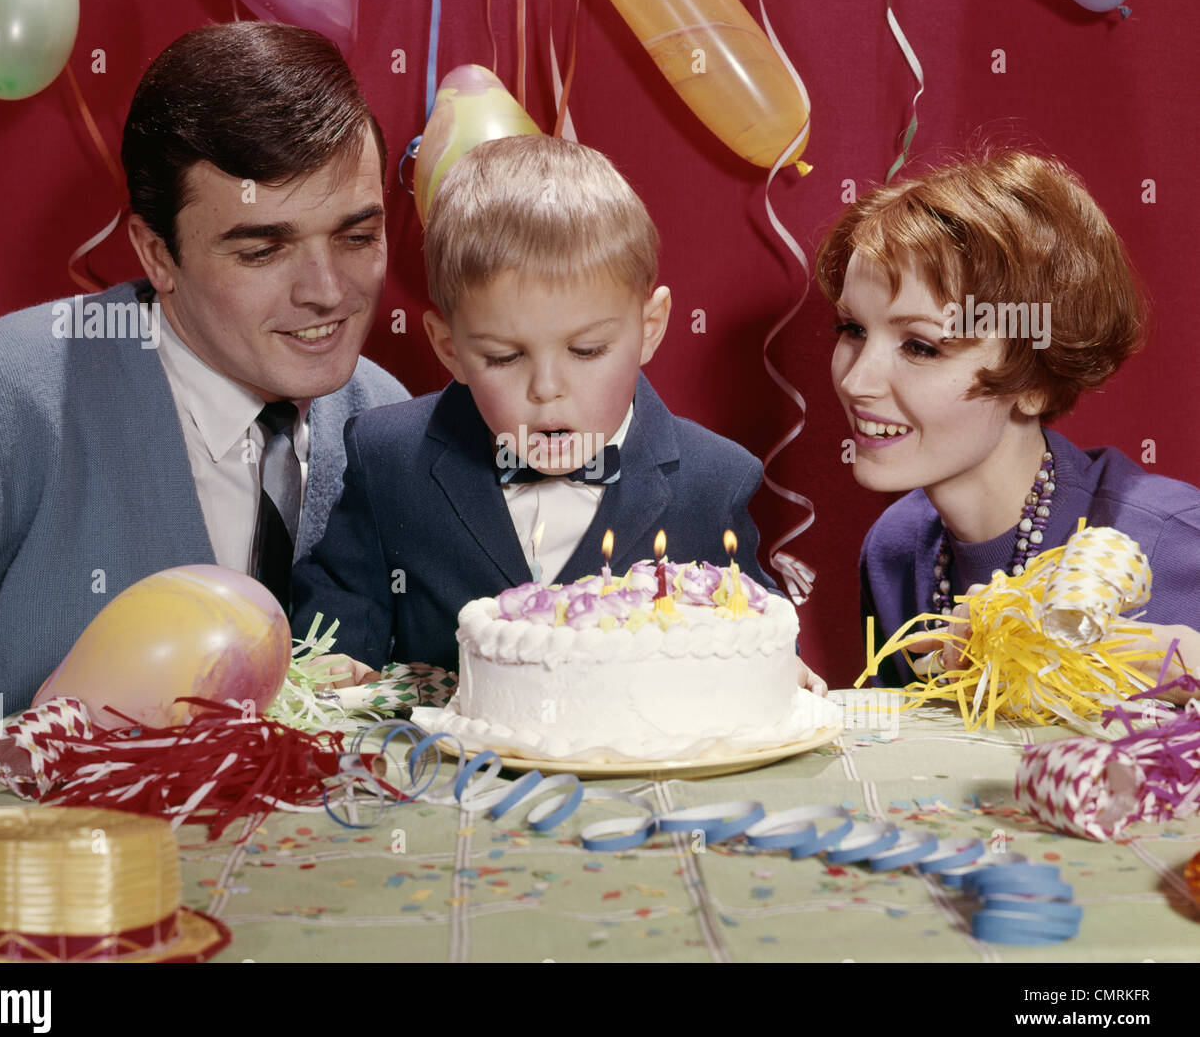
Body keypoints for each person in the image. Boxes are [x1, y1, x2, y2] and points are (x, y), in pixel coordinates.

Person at [0, 22, 408, 779]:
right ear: (155, 252)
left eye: (356, 236)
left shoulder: (390, 422)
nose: (327, 291)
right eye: (262, 249)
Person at [291, 135, 826, 693]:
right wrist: (331, 663)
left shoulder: (714, 480)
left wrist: (776, 668)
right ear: (449, 349)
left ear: (650, 328)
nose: (547, 389)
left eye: (587, 351)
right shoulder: (389, 458)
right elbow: (337, 611)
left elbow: (753, 630)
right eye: (503, 356)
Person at [817, 151, 1200, 689]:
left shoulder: (1180, 543)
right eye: (852, 330)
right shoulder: (894, 551)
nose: (857, 381)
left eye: (922, 346)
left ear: (1035, 381)